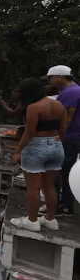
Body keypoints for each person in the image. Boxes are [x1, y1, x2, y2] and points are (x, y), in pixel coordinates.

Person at [10, 77, 66, 230]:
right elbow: (63, 129)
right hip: (56, 144)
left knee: (33, 187)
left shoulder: (33, 107)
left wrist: (18, 150)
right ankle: (50, 219)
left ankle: (32, 221)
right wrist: (57, 142)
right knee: (50, 186)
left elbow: (30, 132)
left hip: (36, 146)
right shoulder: (58, 104)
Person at [45, 65, 80, 217]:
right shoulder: (72, 91)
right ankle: (63, 204)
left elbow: (66, 118)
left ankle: (63, 206)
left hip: (68, 139)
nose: (50, 81)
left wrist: (56, 138)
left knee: (57, 172)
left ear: (60, 77)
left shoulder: (70, 93)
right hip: (72, 138)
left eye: (51, 77)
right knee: (64, 172)